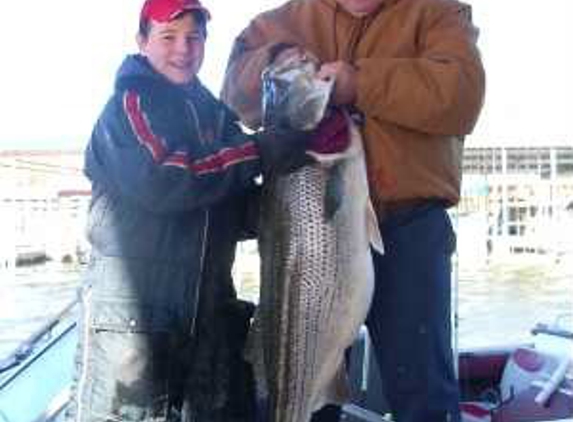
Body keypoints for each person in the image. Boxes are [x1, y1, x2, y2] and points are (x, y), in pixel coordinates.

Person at [221, 0, 486, 421]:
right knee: (305, 385)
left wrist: (361, 83)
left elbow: (461, 94)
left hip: (409, 227)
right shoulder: (277, 23)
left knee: (423, 394)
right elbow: (234, 96)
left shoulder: (437, 12)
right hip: (304, 237)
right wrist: (274, 59)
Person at [66, 0, 316, 420]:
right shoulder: (129, 107)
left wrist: (306, 186)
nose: (183, 48)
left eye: (194, 37)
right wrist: (259, 150)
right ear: (142, 41)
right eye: (168, 36)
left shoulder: (216, 118)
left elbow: (233, 207)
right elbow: (165, 179)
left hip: (210, 316)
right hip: (136, 319)